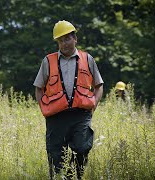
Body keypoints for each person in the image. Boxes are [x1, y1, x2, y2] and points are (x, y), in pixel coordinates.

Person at [33, 20, 104, 179]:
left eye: (67, 39)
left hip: (81, 114)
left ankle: (74, 177)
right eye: (60, 40)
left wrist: (94, 106)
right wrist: (44, 108)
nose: (63, 43)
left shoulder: (88, 59)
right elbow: (39, 88)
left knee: (82, 148)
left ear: (75, 39)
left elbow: (99, 85)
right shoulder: (48, 61)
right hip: (55, 117)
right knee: (56, 156)